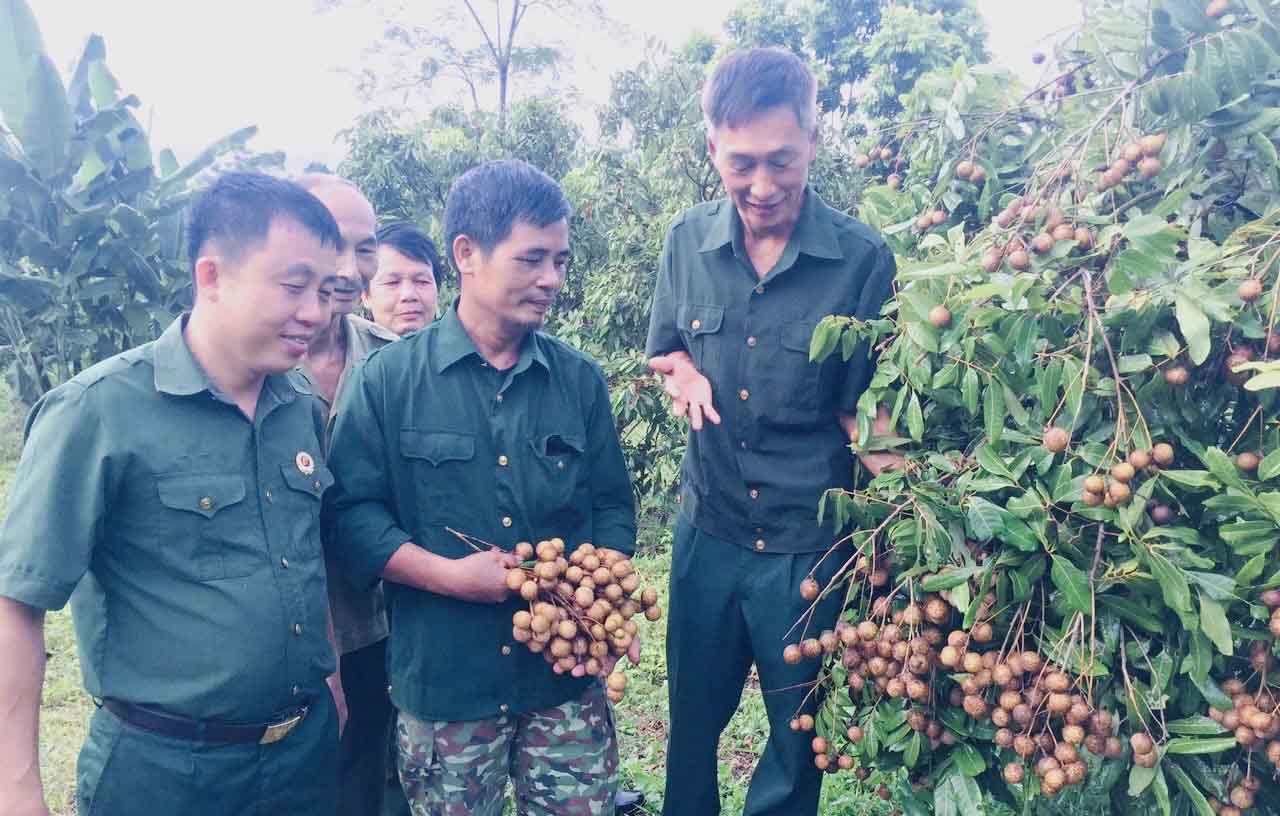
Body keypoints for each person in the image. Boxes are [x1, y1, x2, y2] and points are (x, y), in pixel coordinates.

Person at [0, 172, 346, 816]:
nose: (316, 312)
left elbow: (304, 554)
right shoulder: (98, 412)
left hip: (305, 753)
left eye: (326, 292)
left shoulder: (298, 405)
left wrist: (330, 686)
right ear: (212, 276)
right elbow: (17, 604)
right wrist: (16, 788)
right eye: (295, 286)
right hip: (165, 770)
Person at [325, 159, 636, 816]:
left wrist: (606, 609)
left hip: (563, 681)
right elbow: (350, 515)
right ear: (467, 253)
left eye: (558, 259)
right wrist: (446, 576)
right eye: (531, 259)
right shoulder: (389, 381)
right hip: (446, 689)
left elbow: (610, 504)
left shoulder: (577, 381)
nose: (551, 278)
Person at [644, 48, 903, 816]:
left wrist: (913, 507)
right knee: (691, 724)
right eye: (742, 163)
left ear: (814, 143)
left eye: (782, 161)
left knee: (797, 741)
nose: (762, 185)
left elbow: (867, 412)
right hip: (709, 533)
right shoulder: (684, 242)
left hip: (809, 548)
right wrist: (680, 374)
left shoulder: (862, 261)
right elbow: (666, 346)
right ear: (712, 149)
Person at [294, 174, 406, 816]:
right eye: (332, 243)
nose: (348, 267)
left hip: (384, 622)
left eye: (365, 249)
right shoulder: (254, 373)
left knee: (377, 779)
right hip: (298, 638)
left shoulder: (393, 360)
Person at [368, 221, 442, 335]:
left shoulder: (467, 349)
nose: (409, 295)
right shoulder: (346, 351)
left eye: (422, 281)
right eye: (392, 282)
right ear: (366, 295)